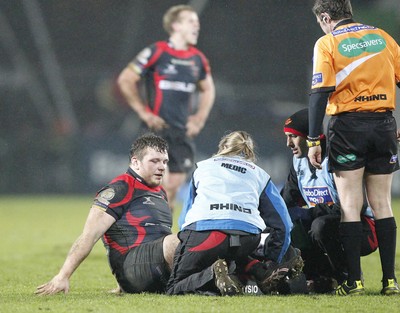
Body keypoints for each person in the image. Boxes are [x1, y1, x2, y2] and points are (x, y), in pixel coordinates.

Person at [307, 0, 400, 295]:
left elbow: (320, 93)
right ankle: (390, 281)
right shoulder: (382, 37)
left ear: (325, 17)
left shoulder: (328, 42)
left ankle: (354, 282)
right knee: (383, 204)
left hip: (347, 127)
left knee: (350, 205)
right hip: (384, 124)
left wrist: (312, 139)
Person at [35, 134, 179, 295]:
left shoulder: (160, 192)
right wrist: (62, 276)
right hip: (133, 273)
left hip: (157, 270)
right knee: (182, 240)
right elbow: (88, 236)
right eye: (154, 161)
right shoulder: (119, 189)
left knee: (201, 240)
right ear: (135, 162)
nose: (162, 167)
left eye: (165, 161)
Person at [166, 131, 303, 296]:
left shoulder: (202, 167)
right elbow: (283, 225)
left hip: (206, 235)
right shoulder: (260, 174)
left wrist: (188, 247)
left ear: (223, 147)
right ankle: (260, 270)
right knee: (231, 252)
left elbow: (184, 219)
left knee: (175, 287)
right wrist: (272, 260)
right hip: (247, 238)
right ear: (249, 152)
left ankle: (213, 274)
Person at [117, 5, 215, 211]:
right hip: (156, 129)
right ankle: (139, 230)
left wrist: (199, 118)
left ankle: (161, 235)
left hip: (181, 132)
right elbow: (126, 79)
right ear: (175, 25)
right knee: (154, 184)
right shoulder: (157, 52)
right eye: (191, 21)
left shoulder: (198, 59)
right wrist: (143, 112)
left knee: (172, 187)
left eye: (197, 22)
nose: (197, 26)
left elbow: (208, 89)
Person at [281, 108, 378, 293]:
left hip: (362, 229)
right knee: (290, 224)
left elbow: (356, 206)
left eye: (293, 137)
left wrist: (309, 213)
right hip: (325, 225)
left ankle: (349, 277)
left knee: (320, 225)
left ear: (310, 138)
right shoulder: (298, 162)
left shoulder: (337, 159)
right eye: (287, 137)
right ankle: (320, 276)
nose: (288, 143)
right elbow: (285, 201)